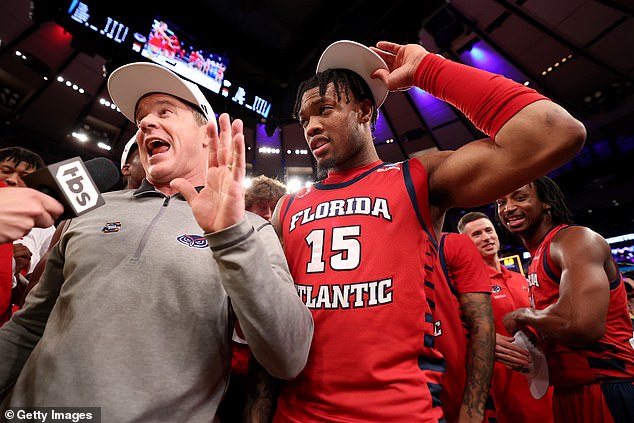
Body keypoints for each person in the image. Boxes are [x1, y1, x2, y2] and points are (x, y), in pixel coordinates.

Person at [267, 38, 585, 422]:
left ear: (366, 111)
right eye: (304, 119)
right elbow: (271, 325)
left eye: (326, 109)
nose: (312, 125)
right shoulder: (287, 207)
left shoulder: (419, 177)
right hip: (297, 414)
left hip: (403, 413)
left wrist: (429, 70)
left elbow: (554, 131)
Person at [0, 62, 313, 421]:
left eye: (165, 111)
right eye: (141, 119)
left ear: (207, 136)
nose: (146, 123)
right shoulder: (90, 209)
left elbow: (288, 357)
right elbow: (28, 327)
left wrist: (231, 237)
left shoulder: (250, 229)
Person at [498, 176, 634, 422]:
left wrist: (523, 315)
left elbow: (584, 326)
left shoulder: (576, 239)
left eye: (520, 197)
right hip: (567, 390)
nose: (508, 208)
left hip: (607, 385)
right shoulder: (535, 257)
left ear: (547, 203)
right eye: (501, 202)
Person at [458, 211, 554, 423]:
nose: (486, 237)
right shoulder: (466, 287)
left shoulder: (522, 279)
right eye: (477, 234)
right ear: (465, 244)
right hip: (503, 383)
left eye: (489, 230)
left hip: (545, 376)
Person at [217, 175, 288, 423]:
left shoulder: (290, 253)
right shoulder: (220, 246)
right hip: (223, 365)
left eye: (274, 207)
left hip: (268, 367)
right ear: (246, 210)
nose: (268, 215)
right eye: (261, 207)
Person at [433, 231, 496, 423]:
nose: (486, 238)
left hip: (458, 401)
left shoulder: (450, 245)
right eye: (478, 233)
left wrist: (473, 409)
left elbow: (482, 325)